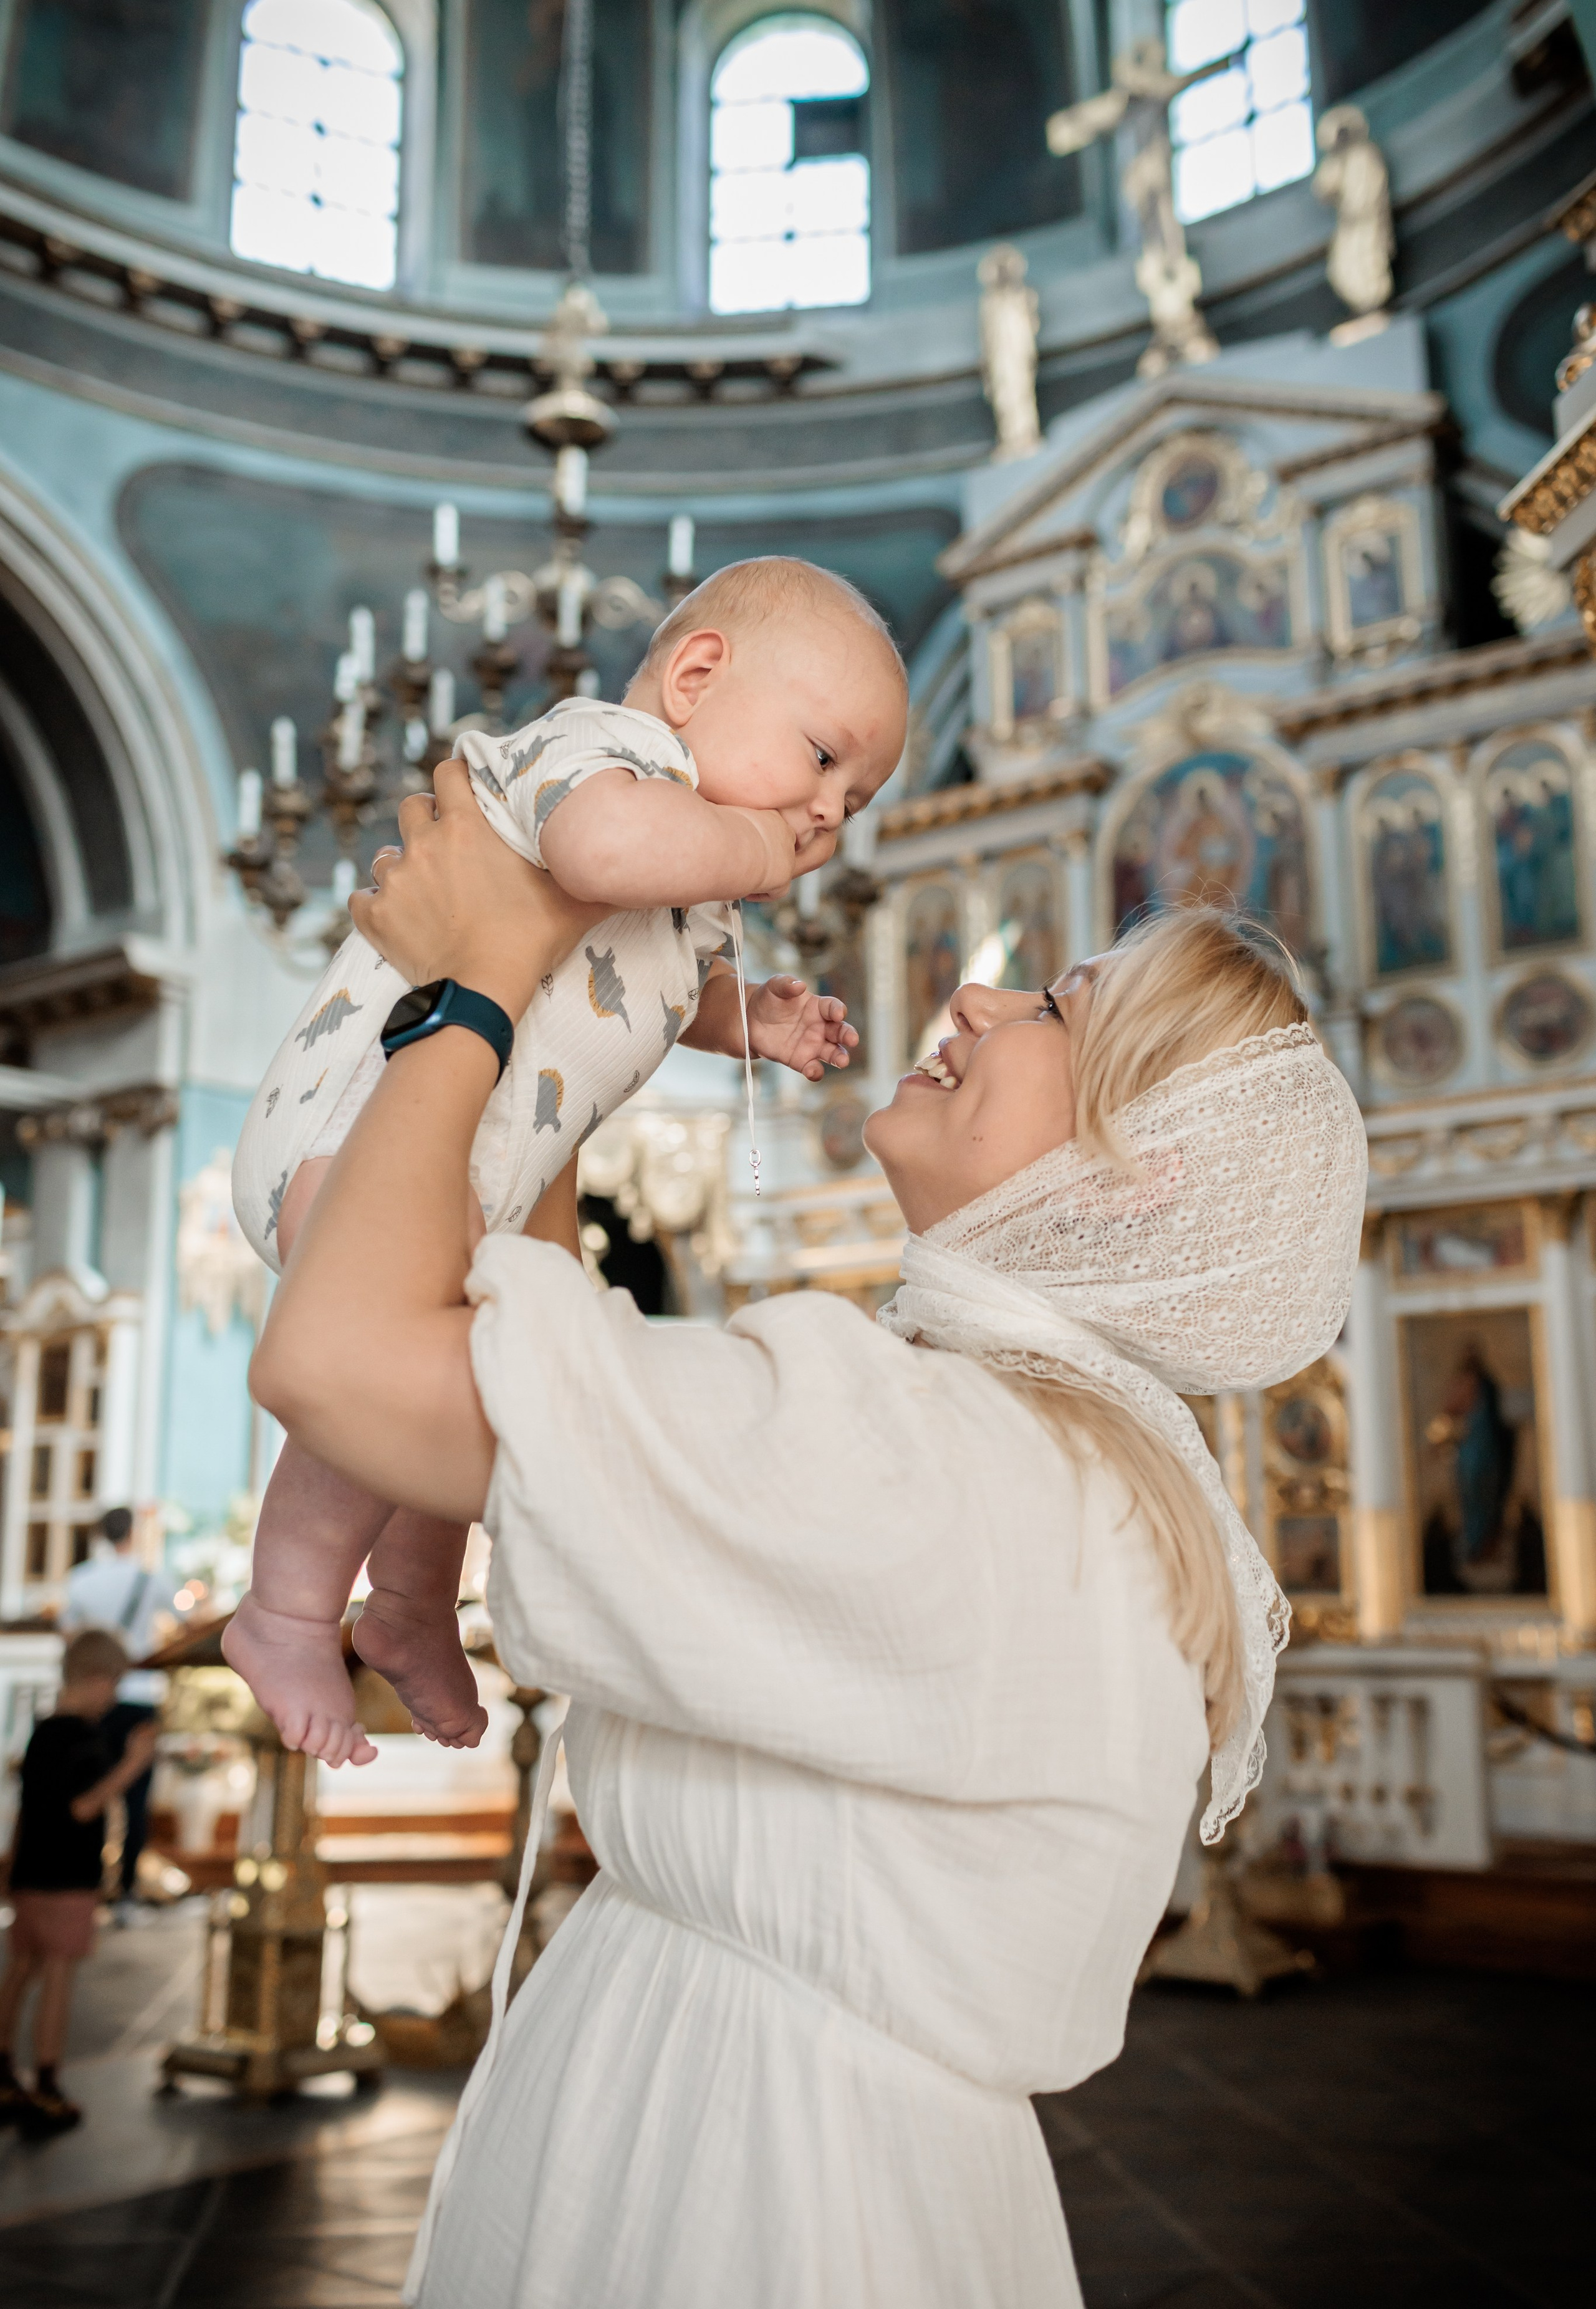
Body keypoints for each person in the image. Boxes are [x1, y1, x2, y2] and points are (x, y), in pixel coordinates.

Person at [247, 759, 1367, 2309]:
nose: (974, 1007)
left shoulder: (929, 1447)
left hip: (735, 2177)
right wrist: (578, 1021)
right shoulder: (1035, 1449)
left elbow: (338, 1357)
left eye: (1049, 1006)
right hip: (827, 2147)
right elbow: (560, 1362)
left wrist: (479, 982)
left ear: (1135, 1171)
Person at [226, 557, 907, 1769]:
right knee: (362, 1384)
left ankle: (410, 1607)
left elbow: (627, 973)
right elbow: (597, 856)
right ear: (695, 677)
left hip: (470, 1168)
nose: (824, 816)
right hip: (357, 1129)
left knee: (476, 1374)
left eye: (853, 800)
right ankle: (282, 1612)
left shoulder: (682, 871)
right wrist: (749, 846)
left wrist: (744, 1018)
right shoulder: (598, 756)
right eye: (821, 760)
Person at [0, 1630, 160, 2137]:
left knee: (21, 1970)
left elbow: (30, 1810)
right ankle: (47, 2081)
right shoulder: (84, 1737)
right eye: (112, 1685)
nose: (113, 1697)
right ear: (95, 1680)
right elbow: (84, 1807)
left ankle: (3, 2071)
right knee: (59, 1976)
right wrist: (134, 1764)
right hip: (67, 1876)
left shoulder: (44, 1730)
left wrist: (11, 1870)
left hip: (31, 1872)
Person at [61, 1504, 175, 1916]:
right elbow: (182, 1618)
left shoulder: (81, 1580)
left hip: (93, 1699)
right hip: (140, 1693)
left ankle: (86, 1890)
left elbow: (71, 1638)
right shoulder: (151, 1578)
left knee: (92, 1789)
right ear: (135, 1533)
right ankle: (125, 1893)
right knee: (135, 1800)